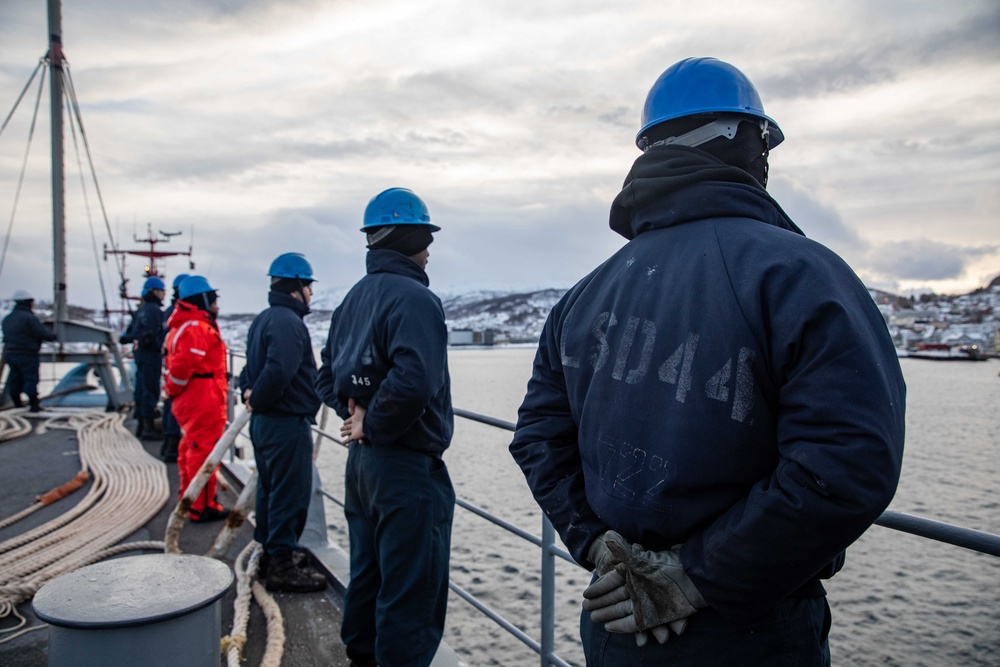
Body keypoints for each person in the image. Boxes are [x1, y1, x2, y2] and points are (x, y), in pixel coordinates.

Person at [508, 57, 906, 666]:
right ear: (746, 144)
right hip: (748, 635)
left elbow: (538, 435)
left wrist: (598, 543)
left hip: (618, 624)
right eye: (763, 142)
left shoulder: (583, 297)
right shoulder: (802, 275)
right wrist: (692, 577)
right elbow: (847, 461)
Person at [316, 188, 455, 667]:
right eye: (427, 236)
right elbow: (416, 382)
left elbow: (324, 374)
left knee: (368, 574)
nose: (430, 248)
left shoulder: (351, 301)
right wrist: (371, 422)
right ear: (412, 237)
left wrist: (355, 416)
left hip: (362, 467)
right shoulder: (416, 298)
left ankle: (360, 658)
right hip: (406, 469)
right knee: (411, 593)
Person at [238, 253, 328, 593]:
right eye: (308, 286)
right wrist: (258, 396)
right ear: (296, 287)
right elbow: (279, 370)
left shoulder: (264, 319)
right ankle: (280, 565)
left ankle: (271, 552)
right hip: (285, 422)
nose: (311, 294)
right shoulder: (289, 323)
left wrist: (249, 394)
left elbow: (252, 369)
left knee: (270, 489)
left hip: (265, 423)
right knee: (289, 493)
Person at [163, 275, 230, 523]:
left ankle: (189, 498)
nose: (217, 306)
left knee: (190, 450)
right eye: (213, 300)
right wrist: (173, 388)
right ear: (202, 300)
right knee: (202, 452)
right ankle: (201, 507)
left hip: (196, 399)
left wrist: (173, 391)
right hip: (203, 401)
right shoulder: (196, 328)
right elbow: (182, 367)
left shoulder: (185, 326)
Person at [2, 289, 57, 412]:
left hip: (11, 354)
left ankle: (17, 403)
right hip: (27, 354)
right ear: (29, 302)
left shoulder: (8, 318)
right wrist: (53, 336)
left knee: (15, 378)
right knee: (30, 378)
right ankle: (34, 405)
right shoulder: (29, 318)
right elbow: (40, 332)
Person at [129, 276, 167, 439]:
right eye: (162, 291)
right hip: (151, 354)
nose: (164, 295)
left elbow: (130, 334)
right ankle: (148, 428)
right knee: (150, 389)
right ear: (154, 291)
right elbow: (153, 333)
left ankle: (141, 423)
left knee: (142, 387)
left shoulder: (141, 310)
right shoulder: (154, 311)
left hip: (142, 355)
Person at [159, 273, 188, 463]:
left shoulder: (169, 312)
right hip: (178, 370)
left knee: (170, 403)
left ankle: (168, 444)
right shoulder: (182, 316)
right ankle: (172, 447)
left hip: (169, 366)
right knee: (175, 406)